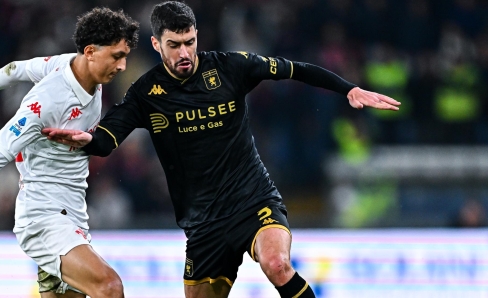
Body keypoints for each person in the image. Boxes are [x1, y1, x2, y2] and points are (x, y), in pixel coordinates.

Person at [43, 1, 400, 297]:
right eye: (174, 45)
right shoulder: (146, 93)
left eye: (190, 42)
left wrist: (347, 89)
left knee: (278, 265)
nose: (184, 53)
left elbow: (296, 70)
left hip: (253, 200)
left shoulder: (231, 67)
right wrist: (89, 141)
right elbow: (108, 137)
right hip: (203, 224)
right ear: (156, 44)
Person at [0, 7, 139, 298]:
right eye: (116, 56)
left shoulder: (70, 65)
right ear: (90, 52)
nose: (123, 65)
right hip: (44, 216)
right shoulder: (48, 99)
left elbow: (17, 70)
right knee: (110, 287)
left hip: (72, 212)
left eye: (125, 56)